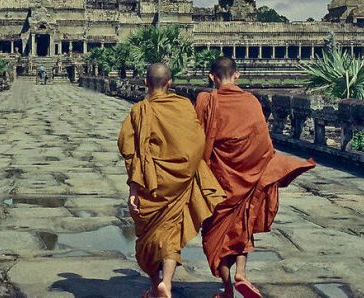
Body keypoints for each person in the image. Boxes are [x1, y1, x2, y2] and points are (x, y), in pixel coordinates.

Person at [195, 57, 315, 298]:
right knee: (243, 224)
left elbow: (197, 139)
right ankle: (241, 273)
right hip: (249, 177)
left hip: (219, 180)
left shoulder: (205, 100)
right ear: (237, 75)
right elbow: (264, 144)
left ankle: (228, 290)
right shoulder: (251, 101)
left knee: (216, 235)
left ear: (212, 77)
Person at [118, 63, 226, 298]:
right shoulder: (183, 106)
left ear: (146, 83)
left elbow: (130, 151)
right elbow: (197, 141)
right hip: (178, 182)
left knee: (148, 235)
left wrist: (134, 188)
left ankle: (154, 284)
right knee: (171, 232)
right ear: (170, 84)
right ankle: (166, 282)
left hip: (150, 182)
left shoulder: (139, 111)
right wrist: (187, 170)